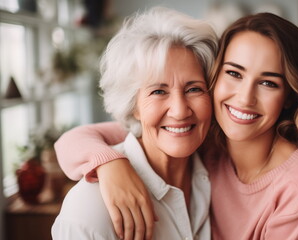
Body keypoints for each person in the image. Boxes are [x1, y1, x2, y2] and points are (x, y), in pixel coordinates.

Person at [54, 12, 298, 240]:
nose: (244, 98)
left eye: (193, 88)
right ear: (132, 106)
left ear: (290, 96)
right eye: (234, 73)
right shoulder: (207, 145)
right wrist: (109, 162)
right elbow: (79, 139)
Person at [51, 7, 218, 240]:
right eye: (159, 91)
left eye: (194, 89)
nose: (180, 111)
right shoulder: (89, 210)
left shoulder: (217, 170)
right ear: (133, 105)